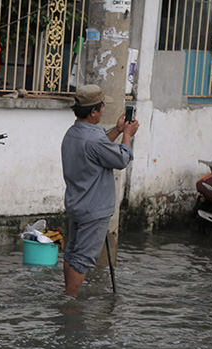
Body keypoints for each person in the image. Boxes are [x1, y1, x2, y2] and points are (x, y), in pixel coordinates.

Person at [61, 84, 139, 298]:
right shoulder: (93, 139)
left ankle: (68, 295)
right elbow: (122, 158)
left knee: (72, 254)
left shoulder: (73, 133)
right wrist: (127, 136)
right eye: (102, 106)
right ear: (94, 111)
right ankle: (70, 301)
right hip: (94, 208)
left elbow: (99, 150)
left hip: (77, 204)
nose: (104, 110)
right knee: (82, 258)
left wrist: (117, 130)